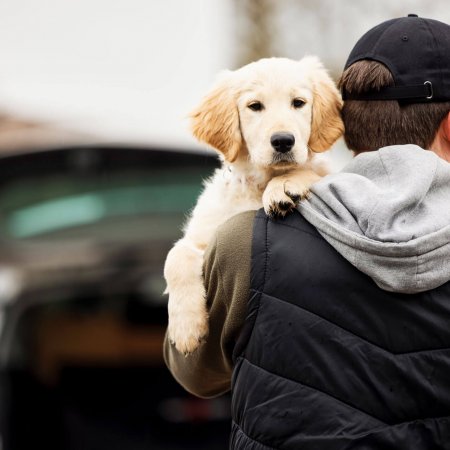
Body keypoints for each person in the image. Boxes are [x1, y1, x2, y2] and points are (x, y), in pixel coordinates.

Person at [164, 14, 450, 449]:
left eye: (298, 104)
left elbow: (197, 373)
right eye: (256, 107)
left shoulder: (245, 241)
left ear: (343, 124)